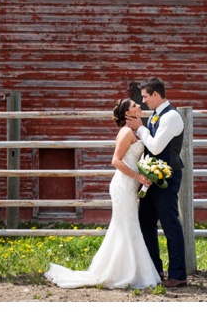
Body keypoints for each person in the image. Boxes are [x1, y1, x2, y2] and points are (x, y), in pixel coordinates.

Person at [45, 99, 162, 289]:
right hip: (123, 184)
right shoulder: (125, 132)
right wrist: (139, 177)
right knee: (125, 225)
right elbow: (116, 161)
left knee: (128, 224)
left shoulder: (132, 132)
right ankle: (120, 272)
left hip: (130, 184)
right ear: (127, 114)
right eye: (134, 105)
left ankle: (129, 271)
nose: (139, 106)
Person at [125, 76, 187, 287]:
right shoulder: (155, 116)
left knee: (170, 223)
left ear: (156, 94)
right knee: (145, 221)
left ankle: (178, 274)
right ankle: (154, 270)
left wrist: (140, 128)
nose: (143, 102)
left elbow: (157, 146)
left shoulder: (171, 117)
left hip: (167, 177)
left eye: (145, 97)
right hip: (152, 177)